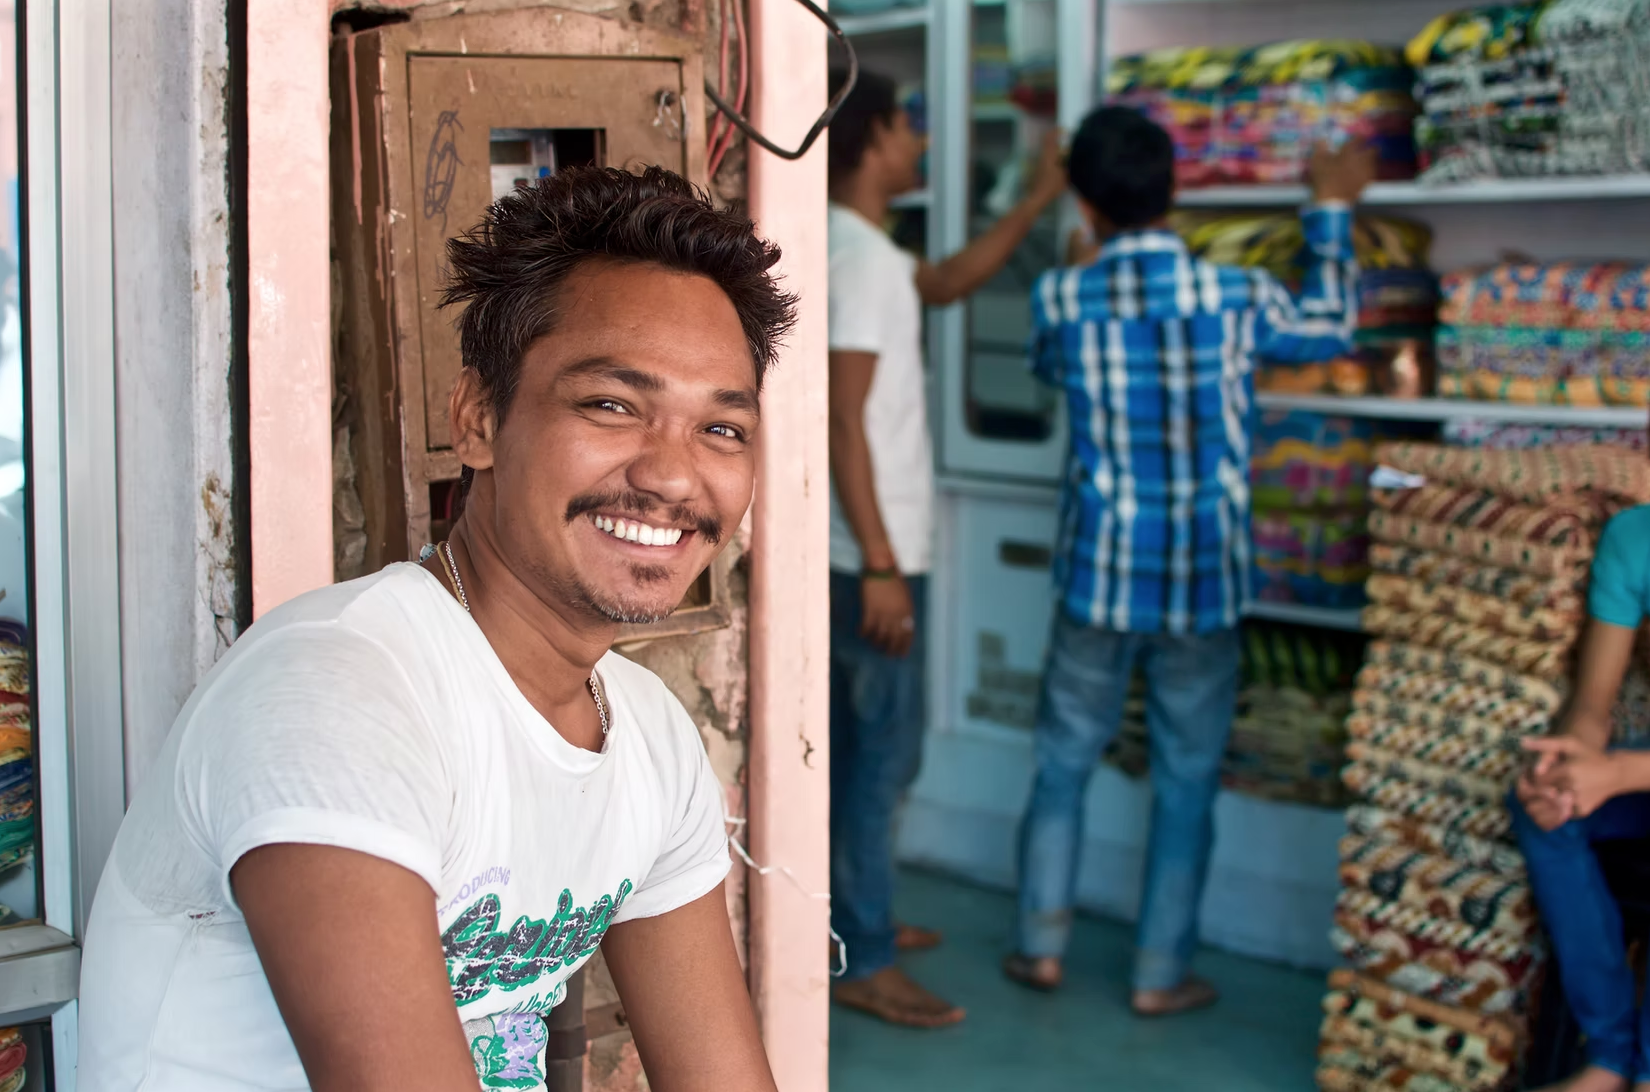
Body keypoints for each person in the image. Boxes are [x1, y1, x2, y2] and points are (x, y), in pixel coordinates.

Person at [77, 166, 795, 1092]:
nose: (671, 476)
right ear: (478, 419)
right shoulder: (338, 691)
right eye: (612, 406)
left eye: (722, 430)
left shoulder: (648, 738)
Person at [1004, 105, 1374, 1014]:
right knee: (1186, 777)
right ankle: (1159, 974)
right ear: (1176, 189)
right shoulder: (1236, 295)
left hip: (1098, 574)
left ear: (1085, 204)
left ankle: (1040, 946)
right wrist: (1327, 207)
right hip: (1206, 582)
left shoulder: (1061, 295)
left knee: (1062, 762)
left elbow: (1048, 370)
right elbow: (1330, 329)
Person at [825, 67, 1066, 1028]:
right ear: (875, 137)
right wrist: (882, 561)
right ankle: (865, 955)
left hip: (865, 550)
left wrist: (1041, 196)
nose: (922, 144)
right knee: (880, 760)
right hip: (868, 559)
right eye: (910, 129)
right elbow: (843, 419)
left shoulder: (866, 252)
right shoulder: (866, 262)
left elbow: (944, 283)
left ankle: (853, 919)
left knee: (861, 756)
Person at [1514, 502, 1650, 1092]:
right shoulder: (1636, 537)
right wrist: (1567, 767)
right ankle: (1612, 1058)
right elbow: (1594, 704)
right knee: (1543, 810)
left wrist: (1619, 774)